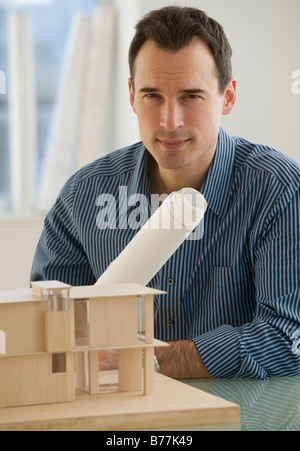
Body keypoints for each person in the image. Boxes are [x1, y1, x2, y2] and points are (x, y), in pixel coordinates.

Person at [31, 6, 300, 380]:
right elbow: (49, 327)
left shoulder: (279, 191)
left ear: (228, 97)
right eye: (152, 95)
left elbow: (289, 337)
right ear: (131, 95)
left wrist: (151, 361)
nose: (170, 121)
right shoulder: (83, 197)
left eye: (191, 96)